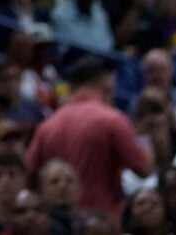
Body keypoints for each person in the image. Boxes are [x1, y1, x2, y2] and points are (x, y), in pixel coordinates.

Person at [27, 62, 151, 218]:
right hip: (102, 221)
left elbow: (29, 176)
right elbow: (144, 169)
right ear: (104, 83)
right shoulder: (112, 119)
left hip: (57, 223)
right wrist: (145, 135)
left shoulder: (47, 126)